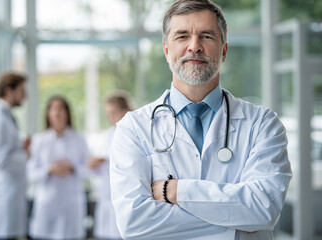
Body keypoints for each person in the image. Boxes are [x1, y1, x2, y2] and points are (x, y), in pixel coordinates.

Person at [109, 0, 292, 239]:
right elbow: (133, 223)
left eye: (206, 36)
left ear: (224, 50)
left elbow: (264, 208)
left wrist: (174, 191)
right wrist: (236, 222)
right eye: (182, 36)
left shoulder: (263, 124)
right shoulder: (133, 128)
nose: (194, 47)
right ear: (166, 50)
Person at [27, 96, 90, 240]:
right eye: (53, 108)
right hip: (47, 205)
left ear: (67, 113)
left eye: (61, 108)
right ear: (48, 114)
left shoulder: (78, 139)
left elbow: (89, 170)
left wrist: (72, 168)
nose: (57, 113)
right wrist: (50, 169)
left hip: (71, 204)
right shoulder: (39, 140)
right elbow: (30, 174)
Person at [0, 72, 30, 240]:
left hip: (9, 196)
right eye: (22, 90)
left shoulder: (5, 117)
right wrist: (25, 154)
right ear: (9, 91)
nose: (25, 95)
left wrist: (20, 146)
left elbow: (5, 150)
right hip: (3, 197)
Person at [88, 90, 132, 240]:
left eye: (113, 112)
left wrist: (104, 160)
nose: (110, 117)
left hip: (126, 194)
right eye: (107, 113)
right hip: (107, 194)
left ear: (125, 110)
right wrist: (96, 163)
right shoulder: (108, 134)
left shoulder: (133, 132)